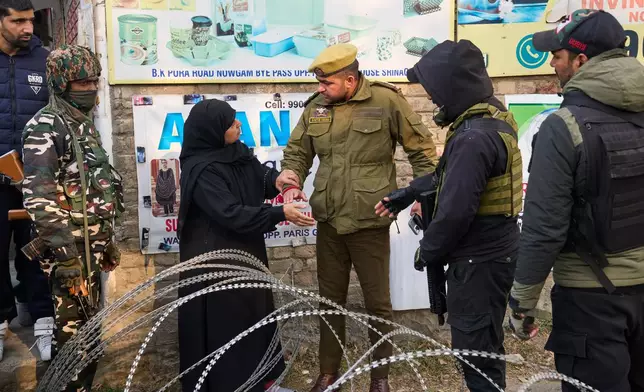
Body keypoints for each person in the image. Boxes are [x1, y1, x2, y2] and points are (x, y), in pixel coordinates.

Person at [278, 43, 438, 392]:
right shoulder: (316, 108)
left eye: (327, 83)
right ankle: (328, 372)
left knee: (377, 304)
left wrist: (423, 198)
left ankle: (379, 377)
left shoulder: (386, 101)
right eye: (319, 83)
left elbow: (421, 150)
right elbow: (296, 154)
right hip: (330, 221)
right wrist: (290, 183)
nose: (320, 89)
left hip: (370, 221)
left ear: (350, 80)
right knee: (328, 300)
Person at [508, 10, 644, 392]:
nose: (552, 62)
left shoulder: (562, 127)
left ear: (581, 61)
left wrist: (522, 303)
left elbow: (543, 229)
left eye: (558, 54)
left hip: (591, 301)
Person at [377, 40, 523, 391]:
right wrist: (408, 193)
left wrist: (427, 251)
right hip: (492, 255)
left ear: (455, 87)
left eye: (436, 92)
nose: (433, 100)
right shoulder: (488, 119)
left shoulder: (474, 137)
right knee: (484, 348)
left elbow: (456, 211)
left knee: (476, 355)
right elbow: (446, 174)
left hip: (478, 261)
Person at [176, 98, 315, 392]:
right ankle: (232, 386)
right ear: (213, 131)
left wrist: (278, 180)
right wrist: (280, 213)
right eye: (231, 123)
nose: (238, 125)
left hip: (246, 251)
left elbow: (254, 174)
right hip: (216, 258)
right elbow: (229, 213)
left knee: (255, 316)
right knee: (227, 325)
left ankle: (261, 381)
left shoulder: (233, 152)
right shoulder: (201, 170)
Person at [21, 44, 123, 391]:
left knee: (90, 335)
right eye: (82, 83)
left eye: (95, 80)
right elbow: (40, 199)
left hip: (90, 254)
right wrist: (66, 258)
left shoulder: (82, 125)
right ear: (61, 84)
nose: (91, 88)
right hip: (70, 257)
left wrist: (106, 243)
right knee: (73, 339)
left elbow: (95, 189)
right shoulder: (46, 127)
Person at [0, 0, 53, 362]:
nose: (27, 28)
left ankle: (44, 322)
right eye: (18, 21)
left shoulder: (45, 60)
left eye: (30, 21)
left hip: (37, 178)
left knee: (38, 253)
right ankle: (1, 323)